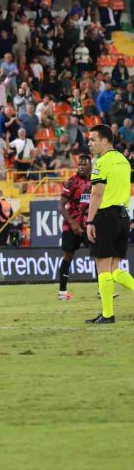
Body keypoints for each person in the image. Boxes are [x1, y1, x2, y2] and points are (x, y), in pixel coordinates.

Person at [84, 125, 134, 324]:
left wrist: (90, 221)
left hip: (106, 216)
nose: (89, 143)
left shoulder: (101, 162)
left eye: (92, 139)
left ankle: (107, 314)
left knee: (103, 265)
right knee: (114, 269)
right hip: (123, 215)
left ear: (104, 141)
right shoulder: (123, 160)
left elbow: (97, 193)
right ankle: (106, 313)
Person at [57, 155, 92, 300]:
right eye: (80, 164)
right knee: (68, 256)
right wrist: (72, 223)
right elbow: (61, 205)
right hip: (71, 226)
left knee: (99, 255)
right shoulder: (71, 182)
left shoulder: (95, 182)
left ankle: (102, 291)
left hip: (89, 225)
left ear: (91, 166)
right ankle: (62, 292)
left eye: (84, 164)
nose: (81, 167)